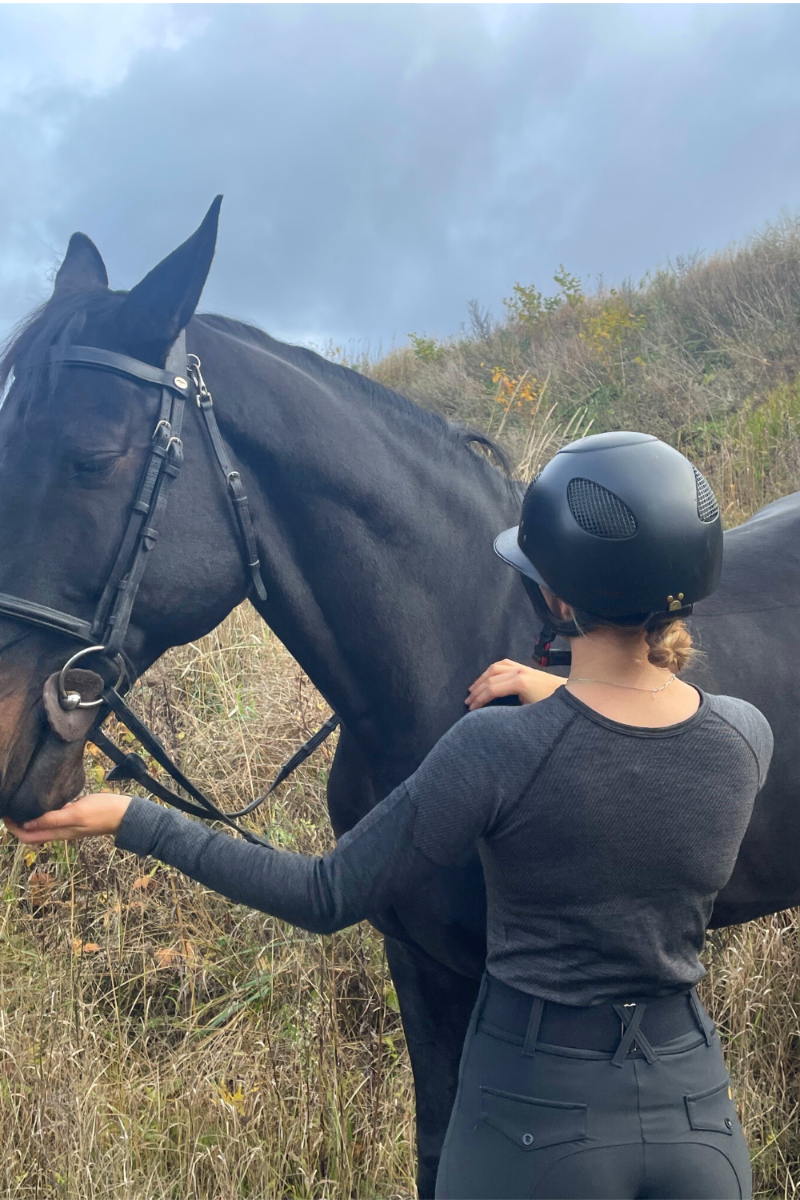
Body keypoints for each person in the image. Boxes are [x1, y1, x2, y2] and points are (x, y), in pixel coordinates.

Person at [7, 430, 772, 1200]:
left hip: (534, 1128)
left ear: (555, 597)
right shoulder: (744, 735)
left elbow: (326, 895)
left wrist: (132, 818)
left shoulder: (497, 747)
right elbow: (636, 747)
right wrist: (559, 696)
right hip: (699, 1127)